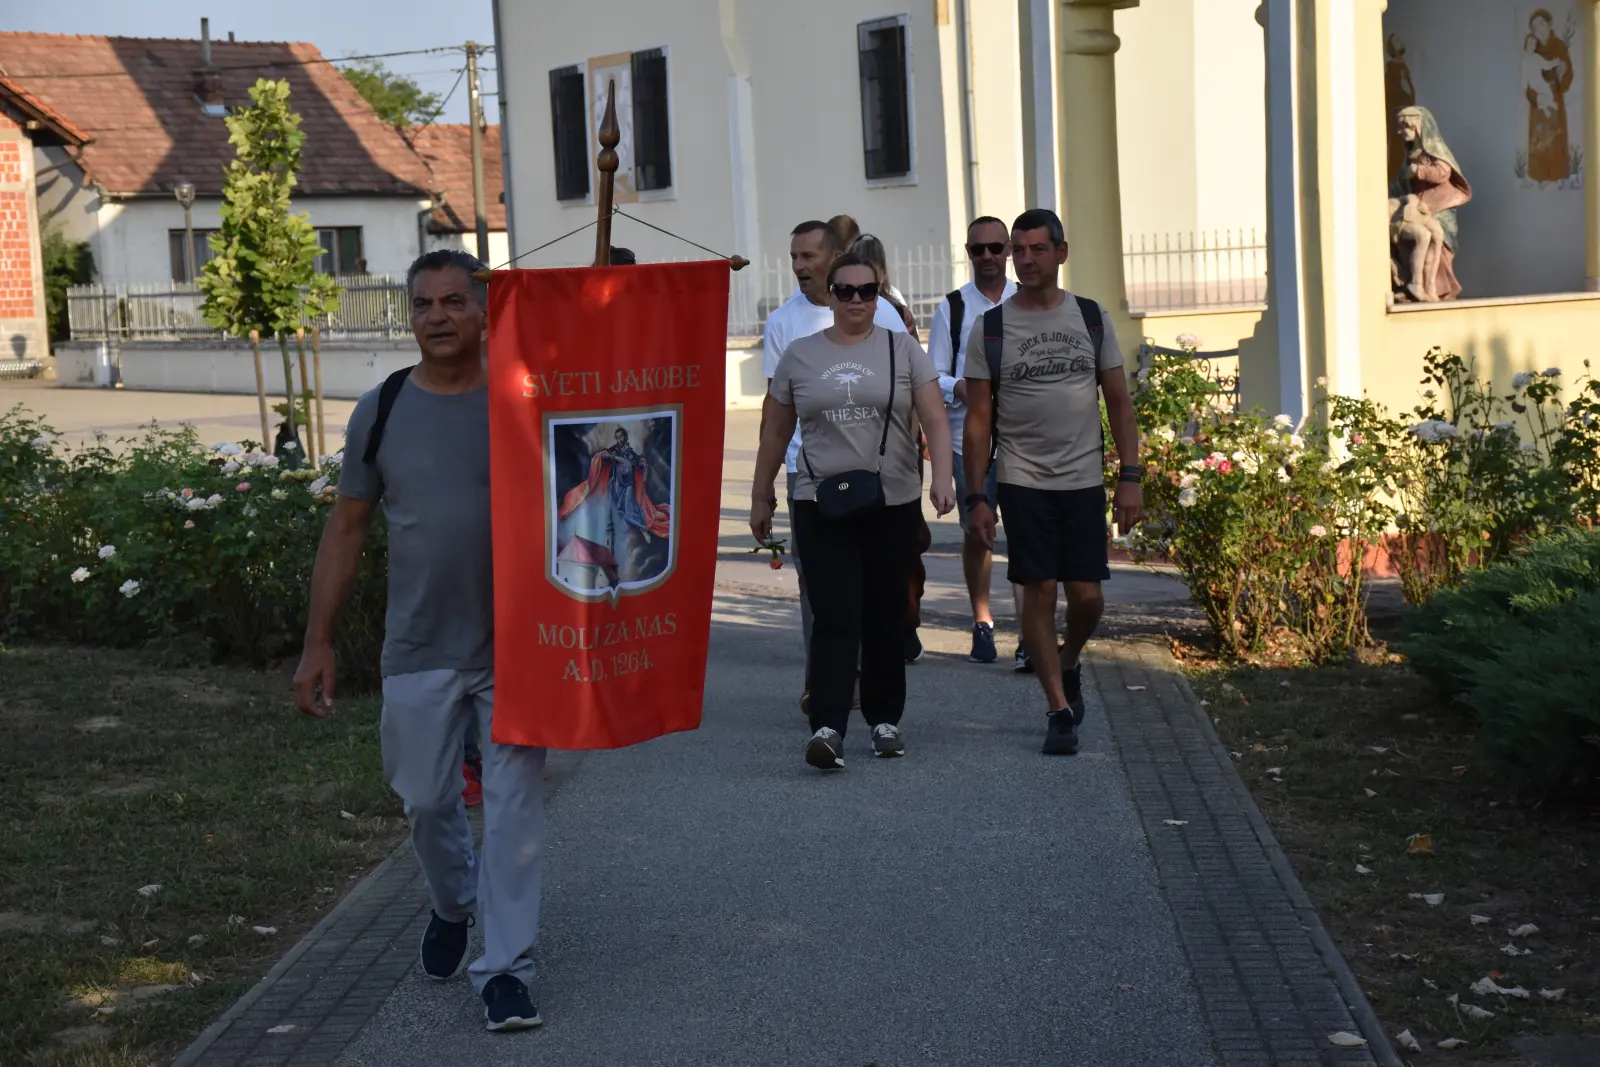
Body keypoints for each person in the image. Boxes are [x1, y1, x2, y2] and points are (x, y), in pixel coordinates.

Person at [293, 249, 547, 1032]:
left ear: (484, 309)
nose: (437, 316)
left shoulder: (523, 397)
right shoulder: (384, 406)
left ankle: (506, 968)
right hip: (419, 645)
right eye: (423, 303)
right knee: (427, 799)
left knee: (511, 812)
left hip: (517, 648)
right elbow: (347, 528)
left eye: (453, 302)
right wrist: (318, 641)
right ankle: (452, 903)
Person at [752, 253, 955, 769]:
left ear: (879, 293)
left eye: (868, 290)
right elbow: (775, 430)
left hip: (893, 500)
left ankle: (885, 721)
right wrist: (761, 495)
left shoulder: (902, 348)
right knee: (834, 614)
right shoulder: (800, 355)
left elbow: (933, 415)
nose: (858, 300)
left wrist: (944, 480)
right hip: (820, 501)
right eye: (846, 291)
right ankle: (827, 726)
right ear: (830, 292)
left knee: (886, 612)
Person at [962, 209, 1143, 756]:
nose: (1025, 260)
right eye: (1018, 250)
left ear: (1062, 253)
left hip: (1083, 478)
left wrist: (1130, 476)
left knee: (1086, 597)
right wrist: (976, 497)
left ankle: (1068, 657)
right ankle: (1058, 707)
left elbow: (1117, 401)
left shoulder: (1089, 318)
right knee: (1038, 589)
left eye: (1038, 249)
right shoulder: (990, 328)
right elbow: (977, 421)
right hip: (1022, 478)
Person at [761, 221, 908, 713]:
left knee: (872, 578)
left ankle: (867, 678)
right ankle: (824, 680)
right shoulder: (783, 322)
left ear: (835, 257)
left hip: (878, 469)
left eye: (809, 256)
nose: (800, 267)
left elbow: (909, 387)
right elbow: (775, 407)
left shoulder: (879, 310)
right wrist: (765, 486)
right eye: (794, 258)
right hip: (812, 473)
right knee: (817, 583)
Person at [927, 216, 1022, 668]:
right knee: (979, 533)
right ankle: (982, 621)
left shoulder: (1027, 301)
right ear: (968, 252)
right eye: (978, 249)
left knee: (1026, 534)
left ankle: (1030, 630)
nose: (987, 257)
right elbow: (933, 374)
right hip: (973, 440)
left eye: (995, 248)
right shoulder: (953, 308)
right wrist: (959, 387)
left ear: (1009, 251)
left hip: (1025, 437)